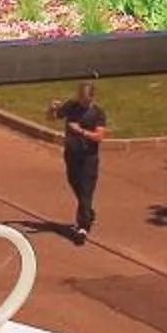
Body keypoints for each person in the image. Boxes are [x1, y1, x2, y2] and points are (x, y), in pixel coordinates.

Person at [49, 76, 108, 242]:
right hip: (71, 154)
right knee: (75, 184)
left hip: (89, 158)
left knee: (86, 191)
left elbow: (99, 136)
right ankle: (88, 212)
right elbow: (52, 117)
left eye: (85, 99)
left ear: (92, 97)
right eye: (80, 98)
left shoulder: (97, 113)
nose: (82, 102)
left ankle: (82, 228)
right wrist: (51, 109)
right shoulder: (71, 106)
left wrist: (80, 131)